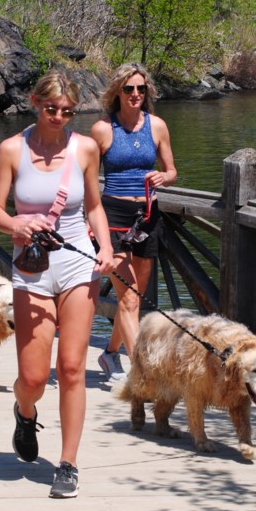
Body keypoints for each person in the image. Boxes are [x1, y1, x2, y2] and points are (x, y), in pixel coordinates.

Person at [0, 70, 114, 499]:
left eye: (67, 111)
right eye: (51, 109)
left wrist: (107, 248)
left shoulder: (86, 149)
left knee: (73, 368)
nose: (59, 117)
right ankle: (25, 412)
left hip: (77, 264)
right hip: (32, 268)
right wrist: (18, 223)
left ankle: (68, 463)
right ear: (34, 103)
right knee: (34, 376)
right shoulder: (11, 150)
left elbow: (94, 206)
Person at [89, 63, 177, 382]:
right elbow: (85, 179)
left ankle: (111, 354)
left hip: (149, 217)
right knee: (127, 297)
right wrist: (90, 218)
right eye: (129, 89)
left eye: (141, 88)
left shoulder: (157, 126)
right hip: (113, 220)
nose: (136, 94)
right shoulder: (103, 129)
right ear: (117, 93)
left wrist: (163, 177)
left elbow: (171, 170)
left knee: (134, 298)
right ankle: (144, 373)